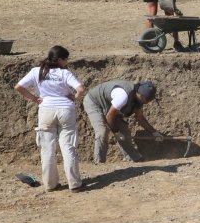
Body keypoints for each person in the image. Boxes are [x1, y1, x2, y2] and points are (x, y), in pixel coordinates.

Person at [14, 46, 86, 191]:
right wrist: (74, 98)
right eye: (66, 59)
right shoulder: (64, 73)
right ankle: (75, 184)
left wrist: (34, 98)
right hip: (65, 110)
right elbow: (81, 89)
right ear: (60, 59)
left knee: (47, 149)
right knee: (68, 148)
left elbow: (18, 87)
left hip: (46, 110)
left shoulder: (36, 71)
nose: (67, 62)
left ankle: (50, 184)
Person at [81, 79, 162, 163]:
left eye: (147, 101)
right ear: (139, 94)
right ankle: (99, 163)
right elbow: (109, 116)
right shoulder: (123, 96)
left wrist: (154, 132)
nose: (145, 102)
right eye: (144, 99)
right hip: (95, 102)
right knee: (102, 131)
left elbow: (140, 118)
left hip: (110, 105)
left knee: (124, 131)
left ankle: (133, 158)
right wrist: (116, 132)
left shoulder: (139, 100)